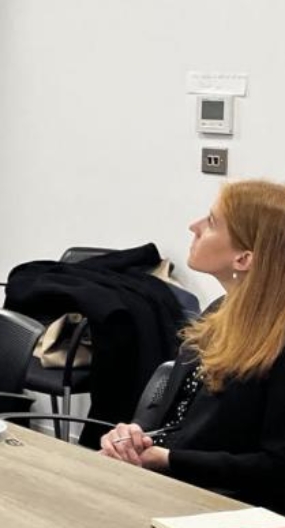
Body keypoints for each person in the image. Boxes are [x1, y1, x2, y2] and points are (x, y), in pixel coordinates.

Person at [99, 180, 285, 509]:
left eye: (211, 223)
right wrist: (134, 436)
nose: (194, 227)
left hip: (227, 505)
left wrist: (169, 460)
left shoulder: (278, 344)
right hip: (174, 483)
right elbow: (178, 416)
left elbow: (276, 467)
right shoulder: (219, 313)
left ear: (244, 259)